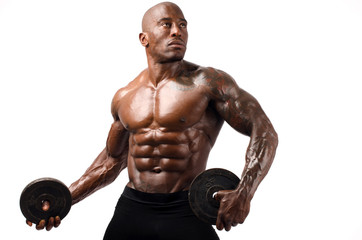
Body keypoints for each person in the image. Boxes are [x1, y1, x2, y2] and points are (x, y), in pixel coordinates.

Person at [26, 2, 278, 239]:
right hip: (133, 209)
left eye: (183, 25)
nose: (177, 32)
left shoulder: (208, 82)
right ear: (144, 38)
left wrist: (245, 192)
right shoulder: (125, 96)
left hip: (187, 209)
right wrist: (63, 199)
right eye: (166, 24)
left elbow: (263, 130)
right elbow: (112, 160)